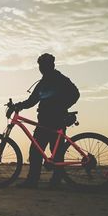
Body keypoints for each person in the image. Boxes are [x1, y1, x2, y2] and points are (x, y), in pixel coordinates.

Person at [12, 53, 80, 188]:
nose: (42, 68)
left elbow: (75, 94)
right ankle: (37, 180)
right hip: (44, 120)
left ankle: (44, 181)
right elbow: (32, 101)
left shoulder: (61, 79)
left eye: (45, 65)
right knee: (38, 151)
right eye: (40, 66)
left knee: (52, 152)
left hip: (57, 119)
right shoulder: (42, 83)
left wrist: (62, 105)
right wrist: (18, 105)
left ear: (52, 65)